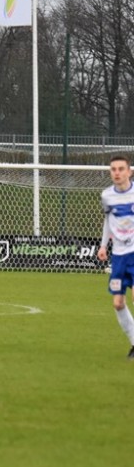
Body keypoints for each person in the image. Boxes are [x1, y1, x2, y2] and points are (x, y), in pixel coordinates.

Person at [96, 154, 134, 359]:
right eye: (113, 169)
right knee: (118, 303)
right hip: (119, 256)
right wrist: (103, 246)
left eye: (121, 169)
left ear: (129, 172)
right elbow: (107, 220)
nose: (117, 173)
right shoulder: (106, 196)